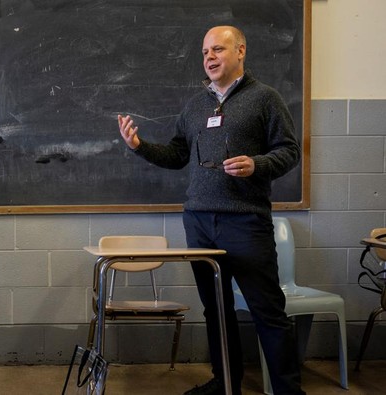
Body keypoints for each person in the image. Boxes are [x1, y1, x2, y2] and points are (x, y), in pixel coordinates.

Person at [118, 26, 304, 395]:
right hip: (200, 223)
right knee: (215, 311)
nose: (210, 58)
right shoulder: (195, 105)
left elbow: (289, 151)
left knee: (268, 312)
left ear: (241, 51)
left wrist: (257, 165)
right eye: (205, 52)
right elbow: (177, 155)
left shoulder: (265, 99)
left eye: (218, 49)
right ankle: (226, 384)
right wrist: (139, 145)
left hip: (246, 222)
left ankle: (288, 391)